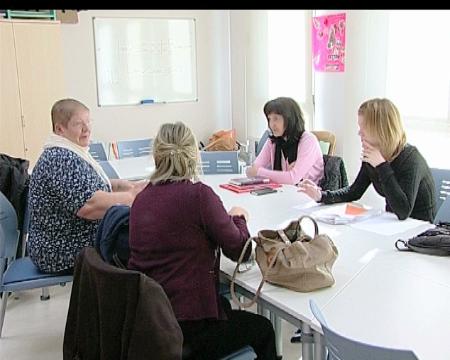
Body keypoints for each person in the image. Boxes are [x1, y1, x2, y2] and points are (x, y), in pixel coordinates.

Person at [128, 122, 278, 360]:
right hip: (187, 328)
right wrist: (238, 218)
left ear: (157, 155)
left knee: (226, 308)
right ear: (194, 155)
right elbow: (241, 250)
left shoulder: (141, 199)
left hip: (150, 322)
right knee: (263, 329)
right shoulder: (198, 195)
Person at [28, 99, 146, 273]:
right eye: (78, 124)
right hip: (61, 249)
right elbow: (90, 207)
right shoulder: (60, 158)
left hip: (71, 239)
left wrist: (128, 186)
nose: (87, 129)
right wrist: (134, 196)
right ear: (60, 129)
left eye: (88, 121)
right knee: (146, 242)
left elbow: (92, 185)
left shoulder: (68, 151)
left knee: (142, 232)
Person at [298, 98, 436, 222]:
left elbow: (403, 211)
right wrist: (321, 196)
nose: (359, 133)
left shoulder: (411, 159)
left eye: (363, 128)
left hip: (420, 229)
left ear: (380, 130)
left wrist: (382, 165)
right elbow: (354, 191)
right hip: (392, 223)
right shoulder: (372, 153)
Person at [246, 97, 324, 185]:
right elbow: (252, 170)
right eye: (269, 119)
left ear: (290, 119)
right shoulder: (273, 141)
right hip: (283, 191)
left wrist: (260, 172)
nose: (272, 124)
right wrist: (284, 176)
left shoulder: (308, 140)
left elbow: (292, 179)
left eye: (276, 118)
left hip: (307, 195)